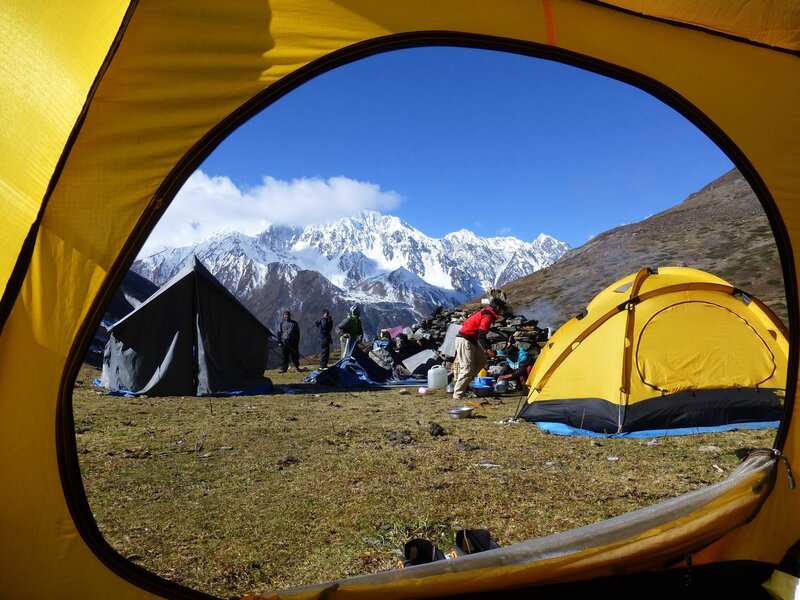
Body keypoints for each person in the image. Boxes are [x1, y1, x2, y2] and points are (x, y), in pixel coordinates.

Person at [452, 297, 505, 400]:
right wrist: (488, 350)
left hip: (471, 340)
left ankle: (465, 384)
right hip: (465, 339)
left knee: (482, 360)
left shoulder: (485, 312)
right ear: (498, 308)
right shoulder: (487, 316)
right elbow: (481, 334)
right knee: (467, 368)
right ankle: (458, 394)